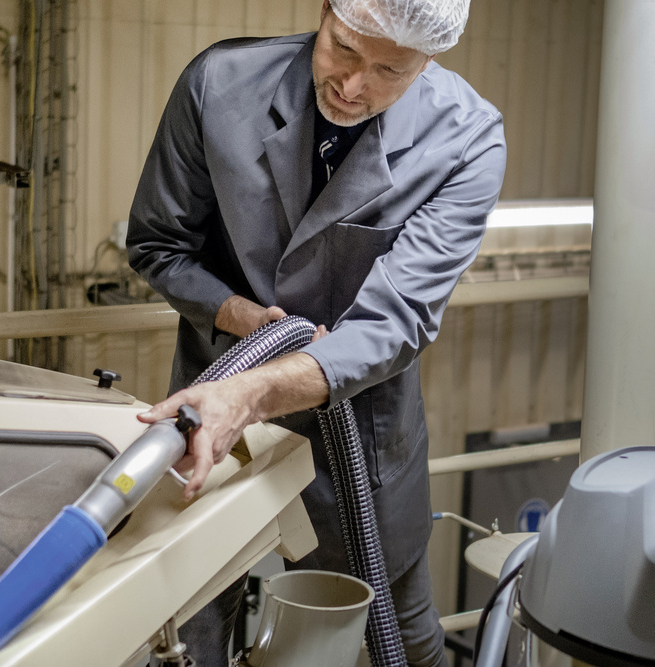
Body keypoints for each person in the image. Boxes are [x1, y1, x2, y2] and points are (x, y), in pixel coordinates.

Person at [127, 0, 504, 664]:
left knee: (403, 635)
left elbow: (396, 321)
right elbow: (159, 245)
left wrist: (249, 393)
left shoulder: (467, 139)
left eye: (390, 69)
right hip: (216, 424)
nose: (355, 86)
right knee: (191, 632)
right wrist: (240, 317)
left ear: (431, 58)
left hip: (361, 431)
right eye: (344, 49)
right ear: (325, 10)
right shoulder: (219, 84)